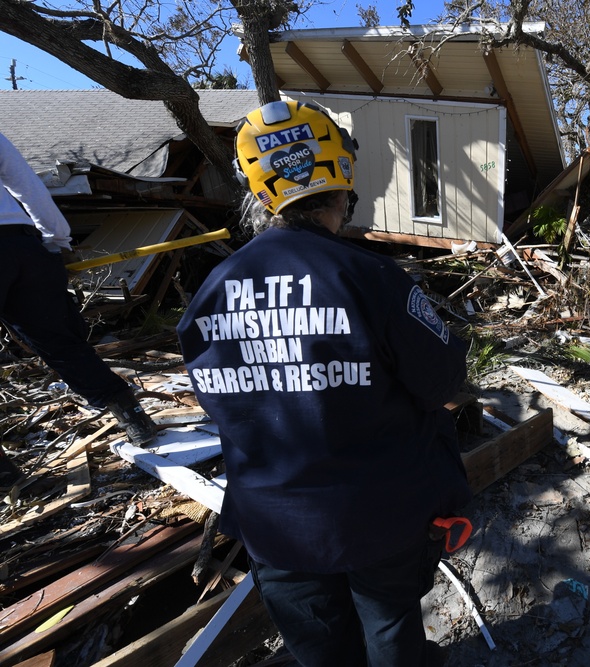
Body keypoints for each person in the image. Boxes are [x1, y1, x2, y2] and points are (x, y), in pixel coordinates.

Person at [176, 100, 472, 666]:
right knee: (389, 633)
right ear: (342, 172)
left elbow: (220, 400)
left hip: (274, 521)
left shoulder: (212, 290)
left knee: (318, 647)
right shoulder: (373, 278)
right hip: (381, 515)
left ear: (259, 189)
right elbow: (443, 383)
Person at [0, 131, 158, 487]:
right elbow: (27, 185)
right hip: (22, 243)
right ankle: (133, 417)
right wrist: (55, 239)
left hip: (19, 243)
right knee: (60, 342)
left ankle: (4, 476)